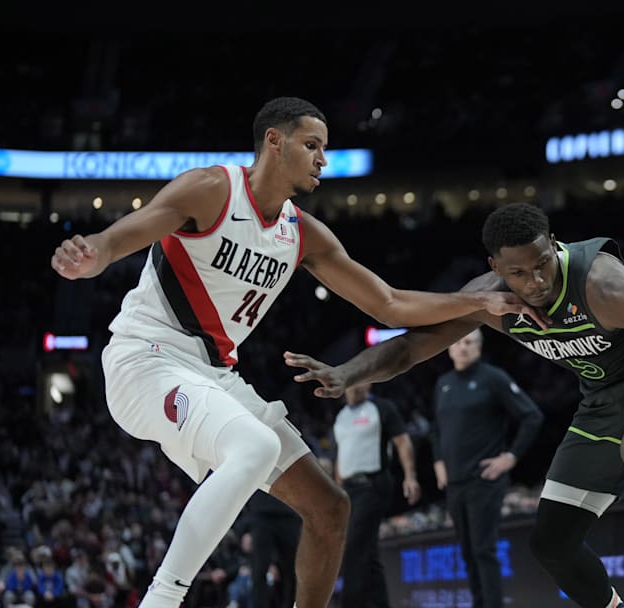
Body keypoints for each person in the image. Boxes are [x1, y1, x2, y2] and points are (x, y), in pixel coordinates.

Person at [49, 97, 542, 608]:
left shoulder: (302, 234)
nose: (322, 160)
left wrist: (477, 300)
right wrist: (94, 255)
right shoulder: (212, 188)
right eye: (312, 146)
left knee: (329, 510)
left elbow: (390, 304)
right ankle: (162, 600)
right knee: (256, 447)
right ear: (274, 141)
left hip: (214, 374)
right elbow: (128, 233)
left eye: (324, 149)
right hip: (145, 358)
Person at [285, 202, 624, 608]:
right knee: (552, 544)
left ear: (554, 245)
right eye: (519, 273)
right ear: (496, 266)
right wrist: (346, 372)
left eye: (542, 265)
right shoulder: (490, 299)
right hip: (602, 402)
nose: (536, 281)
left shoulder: (602, 283)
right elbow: (408, 346)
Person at [431, 328, 544, 608]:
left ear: (479, 348)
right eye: (457, 341)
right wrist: (438, 463)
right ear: (449, 348)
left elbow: (531, 416)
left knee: (484, 550)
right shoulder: (443, 384)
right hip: (454, 482)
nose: (463, 347)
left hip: (484, 479)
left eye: (469, 342)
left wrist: (510, 457)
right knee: (468, 552)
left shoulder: (493, 378)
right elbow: (436, 429)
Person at [333, 382, 420, 608]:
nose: (351, 387)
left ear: (368, 382)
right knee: (367, 553)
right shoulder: (341, 416)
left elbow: (403, 442)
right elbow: (341, 456)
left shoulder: (381, 408)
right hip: (349, 489)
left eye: (356, 380)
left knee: (352, 549)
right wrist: (336, 490)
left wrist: (410, 477)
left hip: (373, 485)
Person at [244, 491, 300, 608]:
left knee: (293, 572)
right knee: (259, 571)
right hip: (261, 513)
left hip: (290, 511)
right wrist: (244, 529)